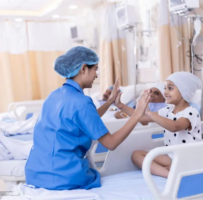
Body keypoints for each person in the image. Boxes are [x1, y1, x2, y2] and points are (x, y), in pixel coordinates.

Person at [25, 46, 152, 190]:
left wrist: (110, 101)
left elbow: (85, 121)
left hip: (36, 174)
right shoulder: (82, 102)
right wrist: (137, 114)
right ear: (83, 68)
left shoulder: (54, 95)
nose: (96, 75)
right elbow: (111, 143)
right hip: (64, 177)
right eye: (95, 69)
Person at [114, 72, 202, 178]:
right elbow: (140, 117)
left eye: (170, 88)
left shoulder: (190, 112)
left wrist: (149, 113)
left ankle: (172, 173)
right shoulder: (167, 110)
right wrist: (120, 105)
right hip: (172, 157)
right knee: (136, 155)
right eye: (165, 88)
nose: (165, 92)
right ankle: (170, 174)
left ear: (184, 91)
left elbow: (175, 126)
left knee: (148, 157)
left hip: (189, 159)